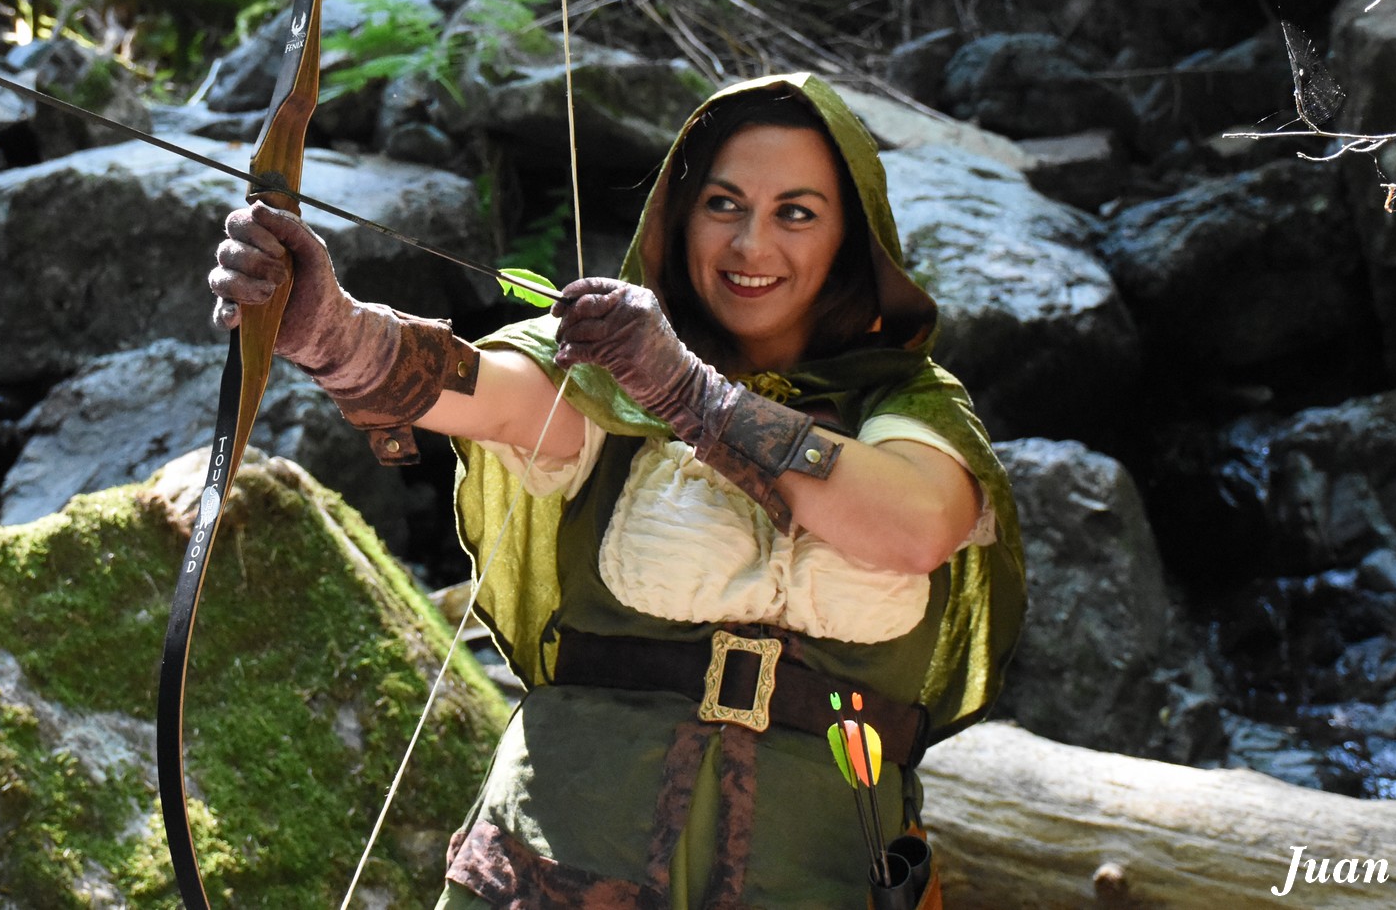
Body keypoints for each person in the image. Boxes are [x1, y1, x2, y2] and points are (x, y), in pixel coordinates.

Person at [209, 72, 1025, 909]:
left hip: (818, 875)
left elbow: (916, 526)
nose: (751, 244)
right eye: (723, 203)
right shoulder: (614, 357)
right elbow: (487, 393)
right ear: (680, 215)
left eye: (796, 212)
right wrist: (329, 329)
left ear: (851, 237)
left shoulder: (912, 405)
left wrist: (691, 393)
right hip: (560, 864)